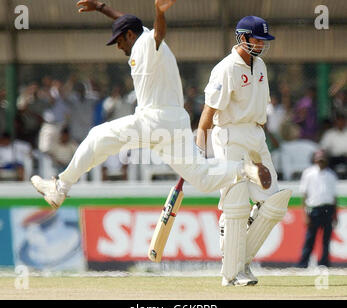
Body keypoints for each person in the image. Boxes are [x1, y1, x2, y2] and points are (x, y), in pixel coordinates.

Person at [31, 0, 271, 212]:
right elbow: (129, 22)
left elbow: (158, 33)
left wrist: (160, 12)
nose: (118, 46)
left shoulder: (146, 42)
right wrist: (102, 8)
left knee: (97, 135)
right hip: (174, 123)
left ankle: (60, 187)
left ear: (130, 36)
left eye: (118, 40)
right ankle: (245, 169)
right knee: (203, 178)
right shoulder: (139, 36)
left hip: (153, 119)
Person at [196, 16, 292, 286]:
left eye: (263, 40)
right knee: (236, 202)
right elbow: (209, 111)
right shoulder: (225, 69)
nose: (261, 44)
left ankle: (240, 261)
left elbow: (261, 108)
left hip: (255, 135)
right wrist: (198, 150)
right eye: (257, 39)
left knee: (272, 203)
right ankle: (232, 273)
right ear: (243, 38)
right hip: (229, 135)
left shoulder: (259, 64)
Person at [297, 150, 338, 268]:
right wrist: (304, 214)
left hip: (328, 209)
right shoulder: (308, 173)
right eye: (319, 159)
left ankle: (325, 263)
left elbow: (334, 196)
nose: (321, 162)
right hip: (314, 209)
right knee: (310, 238)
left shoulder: (331, 175)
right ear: (315, 160)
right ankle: (303, 263)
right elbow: (304, 195)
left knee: (326, 240)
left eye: (323, 160)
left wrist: (335, 214)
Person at [320, 113, 347, 179]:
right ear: (335, 122)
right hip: (333, 158)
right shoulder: (329, 134)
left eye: (342, 120)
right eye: (339, 120)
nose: (340, 122)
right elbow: (323, 148)